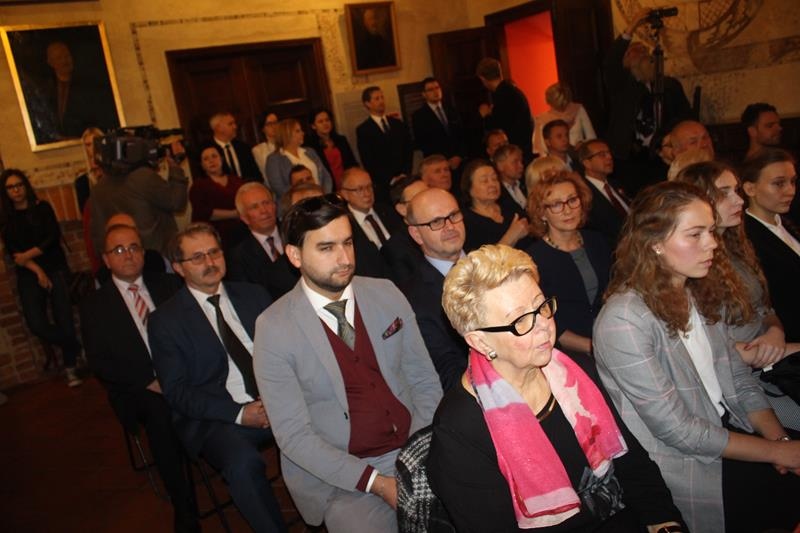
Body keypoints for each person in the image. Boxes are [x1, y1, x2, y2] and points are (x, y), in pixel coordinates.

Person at [429, 244, 684, 532]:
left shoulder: (576, 372)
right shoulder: (459, 431)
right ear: (480, 341)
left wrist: (665, 523)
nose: (544, 325)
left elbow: (633, 466)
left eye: (541, 307)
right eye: (520, 320)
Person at [593, 181, 800, 532]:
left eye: (710, 231)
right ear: (655, 243)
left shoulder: (695, 291)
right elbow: (680, 431)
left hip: (728, 429)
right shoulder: (623, 321)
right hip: (687, 463)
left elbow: (739, 379)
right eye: (695, 234)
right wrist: (777, 453)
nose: (713, 243)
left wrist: (779, 440)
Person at [253, 194, 443, 532]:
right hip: (346, 476)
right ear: (295, 255)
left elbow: (425, 381)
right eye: (326, 248)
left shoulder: (386, 293)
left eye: (347, 243)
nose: (344, 258)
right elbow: (294, 436)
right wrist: (377, 483)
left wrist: (416, 454)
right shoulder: (274, 328)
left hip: (417, 444)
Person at [148, 222, 287, 533]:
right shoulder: (165, 321)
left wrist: (281, 394)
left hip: (279, 399)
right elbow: (177, 391)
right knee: (243, 464)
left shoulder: (253, 294)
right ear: (178, 268)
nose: (210, 262)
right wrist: (239, 413)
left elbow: (288, 349)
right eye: (197, 257)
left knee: (335, 418)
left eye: (214, 252)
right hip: (221, 417)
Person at [80, 223, 197, 532]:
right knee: (161, 416)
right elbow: (100, 362)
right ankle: (183, 504)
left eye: (134, 247)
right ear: (106, 260)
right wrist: (148, 380)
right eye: (119, 250)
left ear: (143, 253)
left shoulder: (169, 285)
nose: (128, 255)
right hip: (138, 386)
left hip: (184, 373)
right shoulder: (95, 306)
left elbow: (195, 331)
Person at [676, 161, 800, 430]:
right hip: (744, 376)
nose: (740, 200)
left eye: (736, 190)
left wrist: (775, 332)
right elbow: (713, 352)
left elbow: (765, 309)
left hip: (772, 357)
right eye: (724, 193)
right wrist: (777, 347)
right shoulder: (691, 266)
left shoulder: (736, 245)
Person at [1, 169, 82, 387]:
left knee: (64, 317)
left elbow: (52, 237)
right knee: (36, 323)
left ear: (26, 186)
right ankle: (73, 345)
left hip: (55, 266)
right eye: (10, 187)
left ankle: (71, 368)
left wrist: (28, 255)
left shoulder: (42, 208)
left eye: (19, 185)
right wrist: (37, 271)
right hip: (29, 272)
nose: (16, 190)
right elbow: (14, 254)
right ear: (5, 192)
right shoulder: (6, 219)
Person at [526, 171, 610, 356]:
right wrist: (592, 347)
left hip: (609, 335)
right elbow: (547, 321)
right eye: (556, 204)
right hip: (569, 352)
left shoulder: (597, 241)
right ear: (542, 213)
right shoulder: (534, 259)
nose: (567, 210)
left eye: (572, 200)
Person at [603, 9, 691, 186]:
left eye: (644, 50)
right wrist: (633, 25)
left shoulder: (669, 85)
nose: (642, 53)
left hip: (663, 155)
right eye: (634, 51)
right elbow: (612, 60)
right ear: (625, 62)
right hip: (630, 157)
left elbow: (684, 116)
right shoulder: (621, 85)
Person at [404, 188, 468, 391]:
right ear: (416, 234)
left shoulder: (494, 263)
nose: (450, 226)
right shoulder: (414, 300)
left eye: (453, 215)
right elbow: (448, 374)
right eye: (436, 222)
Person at [89, 140, 189, 257]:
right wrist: (174, 166)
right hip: (157, 256)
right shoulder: (143, 177)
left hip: (121, 259)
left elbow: (98, 236)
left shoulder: (98, 189)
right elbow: (177, 202)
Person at [741, 148, 800, 342]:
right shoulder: (745, 238)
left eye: (793, 181)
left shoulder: (788, 222)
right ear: (750, 189)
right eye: (779, 183)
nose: (791, 190)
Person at [227, 183, 298, 300]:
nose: (264, 210)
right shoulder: (239, 257)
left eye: (266, 203)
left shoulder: (295, 233)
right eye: (254, 207)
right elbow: (249, 296)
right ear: (244, 217)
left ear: (274, 206)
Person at [355, 86, 414, 204]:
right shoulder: (363, 130)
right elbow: (368, 160)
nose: (381, 101)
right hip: (383, 184)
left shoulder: (398, 124)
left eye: (382, 97)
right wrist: (390, 179)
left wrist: (404, 173)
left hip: (404, 179)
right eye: (377, 99)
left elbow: (408, 150)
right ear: (367, 104)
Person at [338, 167, 399, 279]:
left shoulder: (388, 211)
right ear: (345, 194)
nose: (367, 193)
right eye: (359, 189)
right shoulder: (344, 225)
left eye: (369, 187)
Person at [460, 159, 530, 253]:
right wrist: (511, 236)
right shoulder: (466, 222)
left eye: (495, 179)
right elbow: (479, 260)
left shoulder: (509, 206)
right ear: (470, 189)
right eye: (484, 181)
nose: (492, 184)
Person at [189, 143, 246, 249]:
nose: (211, 161)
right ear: (202, 165)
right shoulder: (198, 185)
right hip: (214, 237)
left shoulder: (236, 180)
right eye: (206, 159)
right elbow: (203, 212)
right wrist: (234, 213)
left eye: (214, 156)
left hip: (242, 233)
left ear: (222, 159)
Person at [475, 58, 533, 160]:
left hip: (514, 154)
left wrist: (486, 116)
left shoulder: (503, 96)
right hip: (523, 148)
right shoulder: (512, 91)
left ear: (482, 79)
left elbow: (498, 128)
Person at [266, 118, 333, 204]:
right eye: (298, 131)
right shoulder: (274, 159)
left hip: (321, 200)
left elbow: (326, 176)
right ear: (287, 134)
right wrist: (304, 198)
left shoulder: (309, 151)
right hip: (295, 204)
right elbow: (279, 188)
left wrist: (323, 195)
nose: (303, 133)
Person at [578, 139, 630, 247]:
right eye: (602, 154)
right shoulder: (584, 194)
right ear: (587, 163)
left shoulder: (615, 184)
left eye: (609, 153)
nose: (609, 157)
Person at [382, 175, 426, 286]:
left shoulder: (446, 225)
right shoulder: (395, 249)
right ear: (402, 209)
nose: (429, 202)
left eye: (429, 195)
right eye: (419, 198)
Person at [411, 77, 464, 170]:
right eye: (430, 90)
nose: (436, 92)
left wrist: (459, 155)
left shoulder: (452, 109)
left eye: (437, 87)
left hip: (458, 161)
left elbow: (461, 134)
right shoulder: (419, 116)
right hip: (437, 164)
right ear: (424, 94)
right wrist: (444, 161)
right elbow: (423, 143)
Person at [533, 82, 595, 157]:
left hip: (579, 156)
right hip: (555, 159)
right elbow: (541, 149)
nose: (561, 108)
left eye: (564, 103)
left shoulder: (578, 109)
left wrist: (583, 144)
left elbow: (592, 138)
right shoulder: (542, 119)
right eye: (557, 104)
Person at [305, 108, 359, 190]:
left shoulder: (341, 140)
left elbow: (352, 163)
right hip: (327, 187)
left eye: (327, 120)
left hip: (347, 183)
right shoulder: (310, 147)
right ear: (313, 126)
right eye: (320, 121)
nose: (325, 124)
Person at [209, 111, 261, 182]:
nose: (235, 127)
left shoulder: (243, 147)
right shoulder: (207, 150)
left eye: (234, 123)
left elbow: (257, 175)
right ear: (218, 128)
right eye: (230, 124)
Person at [493, 144, 527, 214]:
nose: (521, 166)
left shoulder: (526, 184)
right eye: (515, 162)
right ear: (500, 166)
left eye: (521, 161)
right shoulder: (496, 193)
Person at [252, 111, 279, 182]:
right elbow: (265, 174)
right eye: (269, 124)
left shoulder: (287, 144)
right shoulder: (258, 150)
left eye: (275, 122)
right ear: (263, 128)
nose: (274, 126)